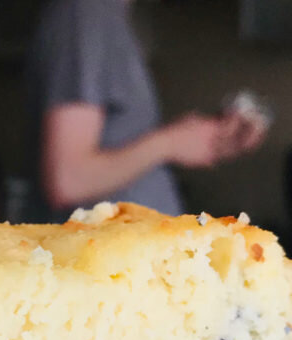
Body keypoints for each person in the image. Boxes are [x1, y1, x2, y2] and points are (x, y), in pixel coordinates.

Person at [27, 0, 267, 221]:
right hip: (104, 252)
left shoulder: (106, 18)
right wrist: (170, 143)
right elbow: (69, 181)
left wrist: (207, 138)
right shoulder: (84, 14)